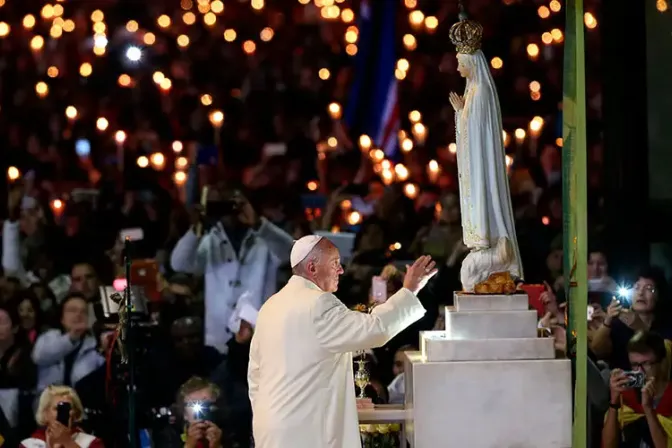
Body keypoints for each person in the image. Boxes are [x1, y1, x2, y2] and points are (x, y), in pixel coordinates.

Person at [248, 235, 436, 448]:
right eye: (335, 263)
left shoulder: (270, 306)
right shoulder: (318, 303)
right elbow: (374, 328)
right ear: (312, 268)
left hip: (270, 428)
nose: (341, 270)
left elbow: (255, 375)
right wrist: (410, 290)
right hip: (307, 431)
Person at [447, 14, 522, 291]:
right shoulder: (475, 92)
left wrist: (460, 113)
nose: (457, 68)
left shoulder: (479, 93)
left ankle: (489, 246)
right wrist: (461, 113)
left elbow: (476, 132)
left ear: (469, 63)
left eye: (459, 63)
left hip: (480, 165)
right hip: (474, 162)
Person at [602, 331, 672, 447]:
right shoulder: (627, 397)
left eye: (646, 364)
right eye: (634, 365)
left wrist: (648, 410)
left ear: (662, 363)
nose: (640, 371)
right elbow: (608, 445)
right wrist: (614, 402)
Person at [20, 385, 104, 448]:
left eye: (68, 408)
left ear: (75, 413)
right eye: (57, 409)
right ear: (45, 414)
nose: (64, 413)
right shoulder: (28, 445)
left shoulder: (91, 443)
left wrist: (67, 442)